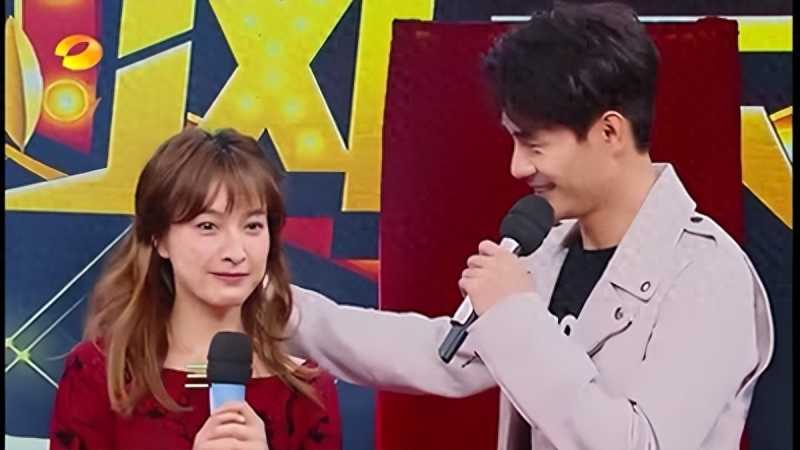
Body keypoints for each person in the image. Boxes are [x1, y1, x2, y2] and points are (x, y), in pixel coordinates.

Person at [284, 2, 774, 449]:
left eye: (534, 145)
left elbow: (640, 443)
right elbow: (440, 353)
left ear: (609, 132)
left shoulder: (708, 274)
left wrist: (515, 314)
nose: (518, 167)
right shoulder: (548, 253)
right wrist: (280, 310)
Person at [49, 128, 342, 450]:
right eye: (208, 226)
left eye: (252, 226)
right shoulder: (101, 374)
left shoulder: (307, 391)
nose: (236, 252)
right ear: (159, 238)